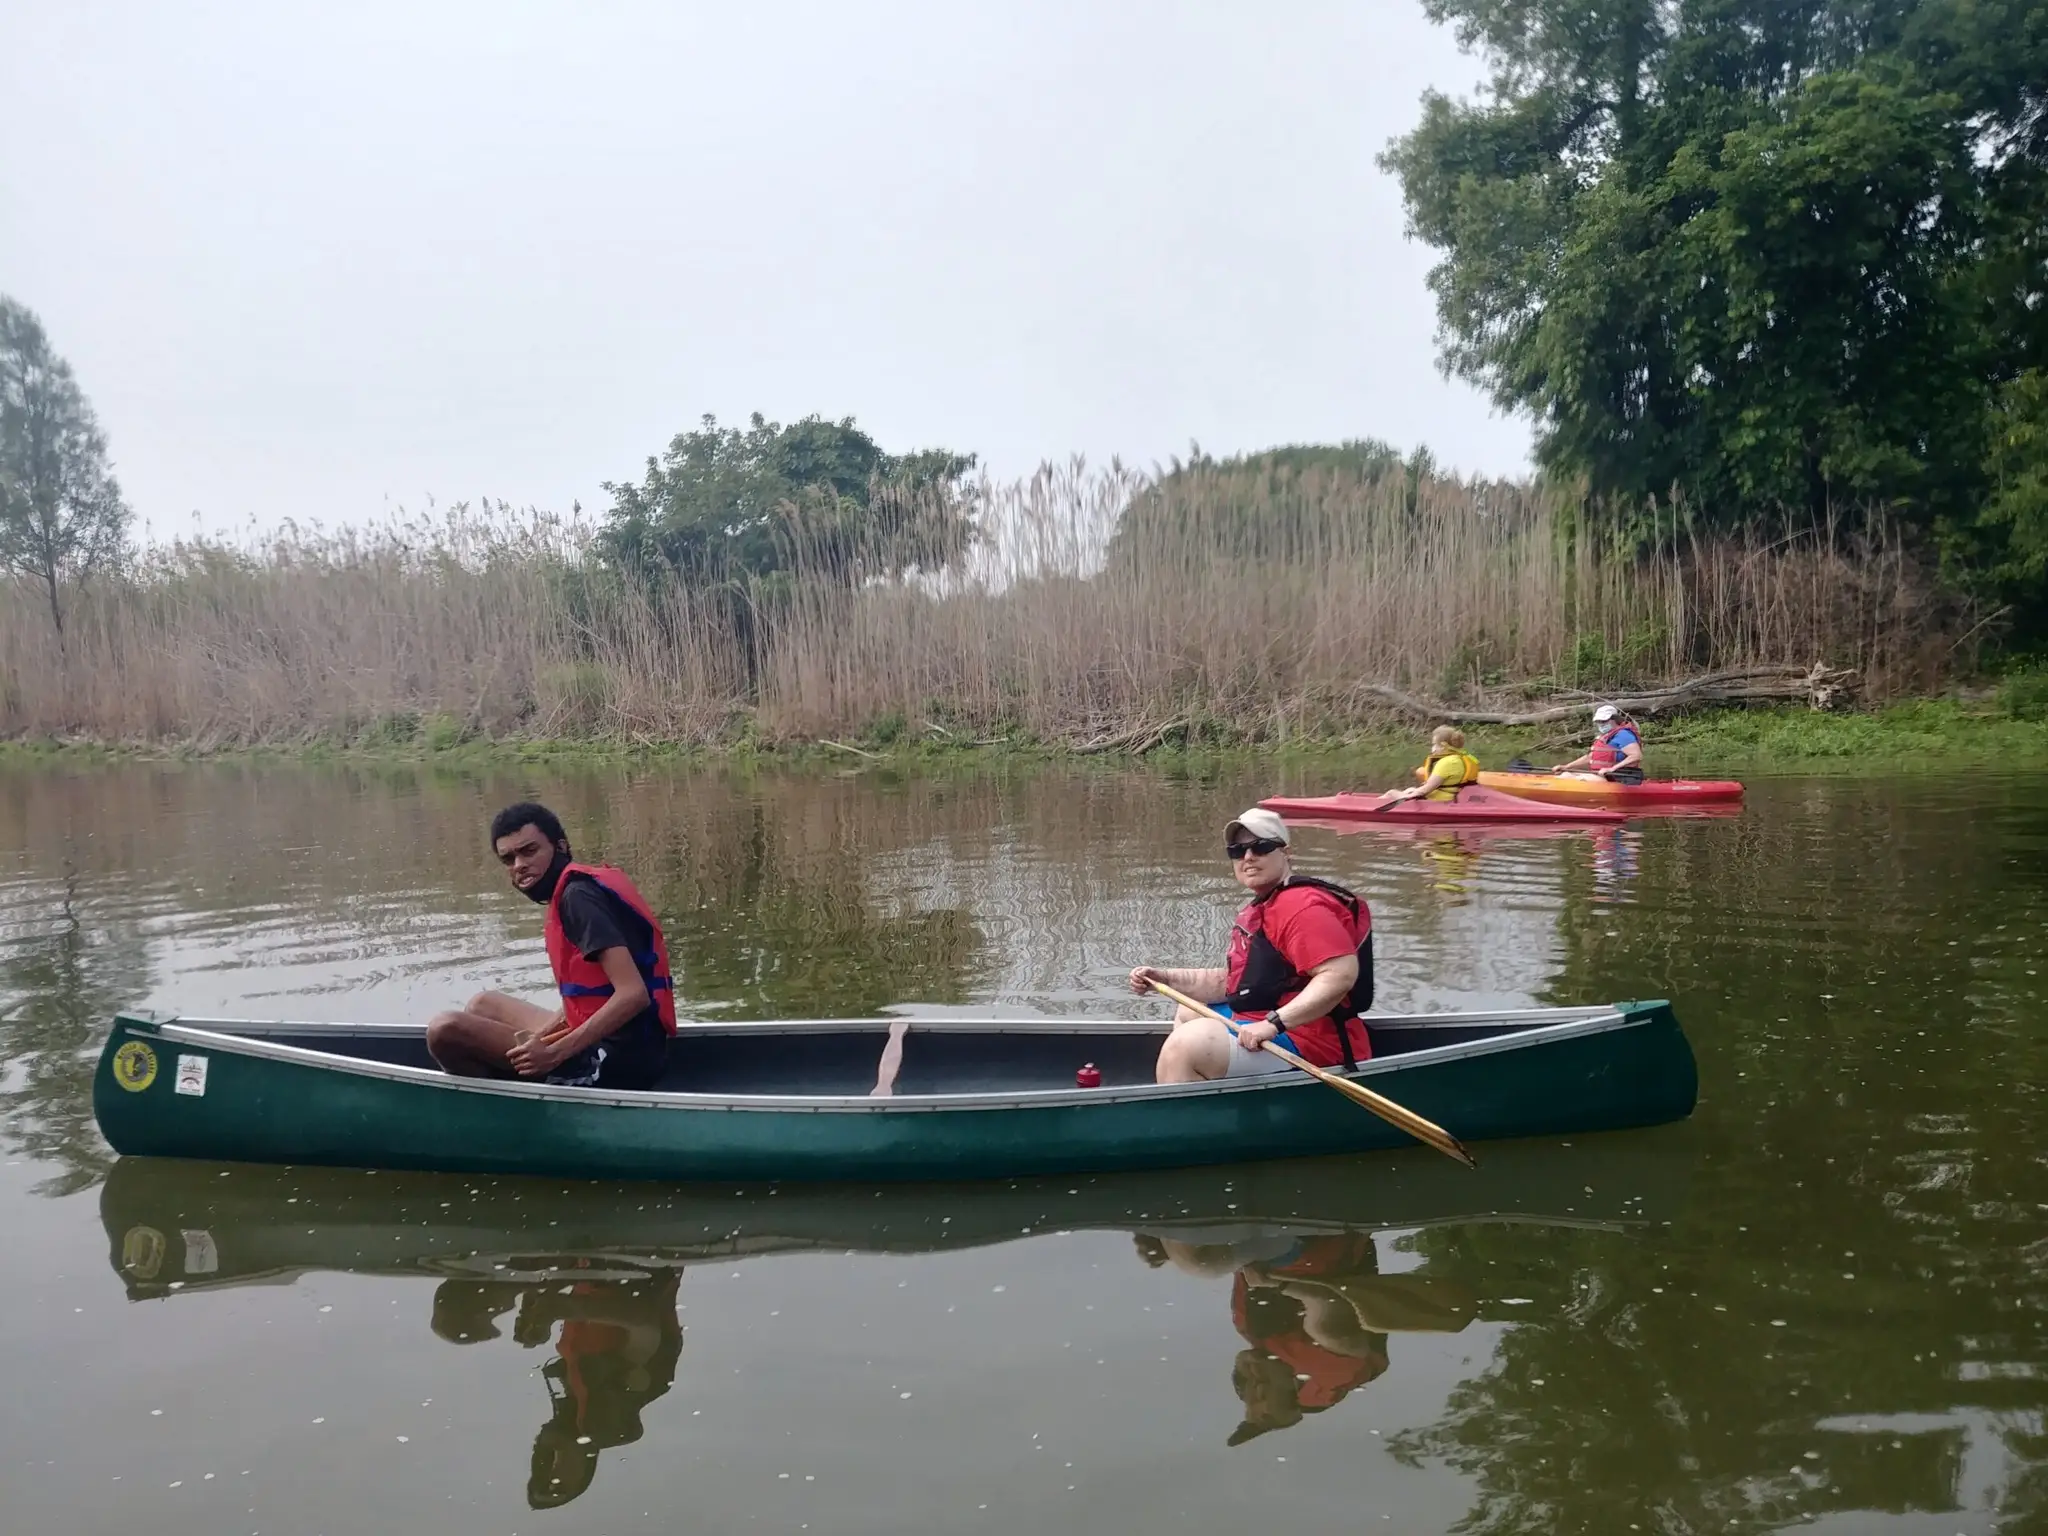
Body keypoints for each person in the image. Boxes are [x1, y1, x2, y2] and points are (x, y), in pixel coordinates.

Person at [425, 802, 676, 1090]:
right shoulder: (574, 889)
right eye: (509, 859)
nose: (519, 865)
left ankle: (515, 1098)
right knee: (482, 1005)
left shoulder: (577, 898)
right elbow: (588, 997)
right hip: (623, 1043)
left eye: (529, 851)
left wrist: (554, 1054)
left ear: (560, 846)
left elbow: (633, 995)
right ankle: (521, 1078)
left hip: (617, 1061)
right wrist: (542, 1037)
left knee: (444, 1030)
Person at [1129, 808, 1372, 1083]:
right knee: (1190, 1009)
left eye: (1261, 847)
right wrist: (1166, 979)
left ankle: (1186, 1103)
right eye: (1237, 850)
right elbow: (1234, 983)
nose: (1248, 857)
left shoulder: (1303, 907)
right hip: (1266, 1022)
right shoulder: (1265, 906)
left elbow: (1339, 975)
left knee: (1185, 1047)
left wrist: (1273, 1024)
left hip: (1313, 1040)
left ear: (1286, 852)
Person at [1386, 724, 1481, 803]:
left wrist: (1407, 795)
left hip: (1439, 801)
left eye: (1434, 744)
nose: (1433, 748)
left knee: (1391, 793)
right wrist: (1411, 791)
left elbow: (1426, 789)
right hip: (1452, 798)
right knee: (1409, 789)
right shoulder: (1458, 759)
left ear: (1443, 746)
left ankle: (1377, 812)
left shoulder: (1446, 763)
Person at [1553, 703, 1644, 784]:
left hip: (1621, 778)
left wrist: (1612, 769)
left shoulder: (1623, 735)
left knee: (1581, 779)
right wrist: (1566, 766)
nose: (1601, 724)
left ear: (1614, 719)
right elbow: (1590, 757)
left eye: (1603, 721)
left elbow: (1636, 756)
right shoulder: (1605, 736)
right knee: (1566, 775)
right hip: (1603, 776)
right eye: (1598, 721)